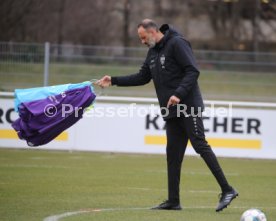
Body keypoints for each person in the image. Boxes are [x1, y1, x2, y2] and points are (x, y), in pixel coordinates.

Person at [96, 19, 238, 212]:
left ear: (153, 32)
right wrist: (113, 80)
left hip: (188, 106)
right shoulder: (152, 52)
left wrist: (178, 94)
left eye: (143, 37)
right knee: (172, 155)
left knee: (199, 145)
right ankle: (173, 201)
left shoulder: (177, 43)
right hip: (171, 112)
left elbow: (193, 71)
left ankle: (227, 189)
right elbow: (142, 77)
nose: (142, 41)